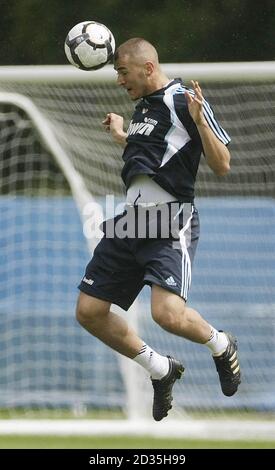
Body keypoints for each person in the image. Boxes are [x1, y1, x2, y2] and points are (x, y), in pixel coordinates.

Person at [76, 38, 241, 421]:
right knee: (89, 311)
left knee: (168, 315)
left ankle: (221, 345)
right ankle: (161, 369)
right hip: (130, 220)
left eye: (122, 71)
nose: (119, 80)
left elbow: (223, 164)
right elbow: (155, 154)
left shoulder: (184, 99)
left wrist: (201, 123)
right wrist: (123, 135)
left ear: (147, 67)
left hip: (169, 221)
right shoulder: (144, 108)